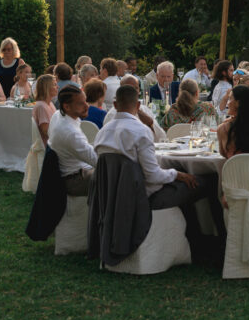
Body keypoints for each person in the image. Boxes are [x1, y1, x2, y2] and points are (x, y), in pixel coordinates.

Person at [93, 85, 218, 241]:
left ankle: (193, 236)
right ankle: (217, 238)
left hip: (111, 195)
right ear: (138, 106)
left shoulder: (101, 133)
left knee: (184, 183)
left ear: (115, 105)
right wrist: (178, 174)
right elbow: (153, 177)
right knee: (210, 181)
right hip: (143, 197)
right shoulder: (140, 131)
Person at [49, 85, 98, 196]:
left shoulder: (58, 115)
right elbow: (96, 160)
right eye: (81, 103)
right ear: (67, 107)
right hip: (74, 180)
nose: (87, 106)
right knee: (118, 177)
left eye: (85, 101)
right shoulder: (70, 132)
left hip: (73, 170)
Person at [31, 74, 58, 145]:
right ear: (47, 87)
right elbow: (46, 131)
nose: (57, 87)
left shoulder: (50, 103)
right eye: (55, 85)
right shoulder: (41, 106)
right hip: (48, 146)